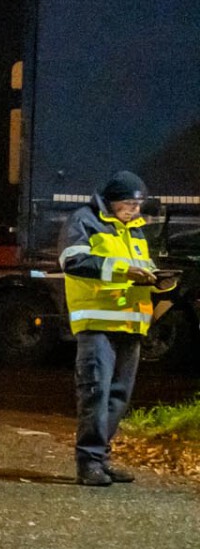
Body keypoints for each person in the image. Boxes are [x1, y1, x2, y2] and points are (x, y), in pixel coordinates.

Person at [59, 171, 172, 486]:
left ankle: (101, 460)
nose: (135, 210)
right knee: (96, 393)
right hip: (97, 323)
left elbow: (140, 268)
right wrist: (127, 271)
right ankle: (89, 464)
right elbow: (73, 262)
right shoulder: (83, 221)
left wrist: (156, 278)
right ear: (111, 200)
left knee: (118, 398)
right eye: (129, 204)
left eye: (138, 204)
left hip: (130, 323)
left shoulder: (134, 229)